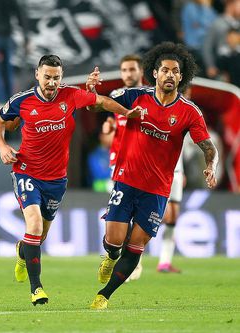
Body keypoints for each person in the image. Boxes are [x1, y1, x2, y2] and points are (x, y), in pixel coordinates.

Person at [0, 54, 144, 306]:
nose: (51, 82)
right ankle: (36, 288)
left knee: (39, 236)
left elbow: (102, 102)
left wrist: (127, 113)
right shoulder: (22, 100)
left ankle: (23, 253)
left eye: (56, 77)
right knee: (34, 226)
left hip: (57, 179)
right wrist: (2, 146)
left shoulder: (70, 95)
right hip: (26, 171)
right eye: (47, 76)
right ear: (37, 74)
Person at [89, 42, 218, 310]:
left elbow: (208, 146)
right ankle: (110, 256)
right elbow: (98, 106)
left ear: (181, 77)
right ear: (155, 74)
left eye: (175, 71)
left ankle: (104, 294)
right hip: (127, 179)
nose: (170, 75)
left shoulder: (189, 111)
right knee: (114, 240)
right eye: (165, 70)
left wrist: (211, 165)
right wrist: (91, 93)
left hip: (158, 190)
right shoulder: (136, 95)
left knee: (136, 245)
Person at [100, 54, 144, 282]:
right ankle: (119, 257)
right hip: (118, 164)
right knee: (121, 215)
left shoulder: (149, 97)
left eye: (132, 69)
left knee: (139, 213)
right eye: (124, 70)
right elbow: (107, 131)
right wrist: (108, 129)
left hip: (141, 164)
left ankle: (134, 259)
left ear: (141, 71)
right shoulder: (116, 97)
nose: (128, 74)